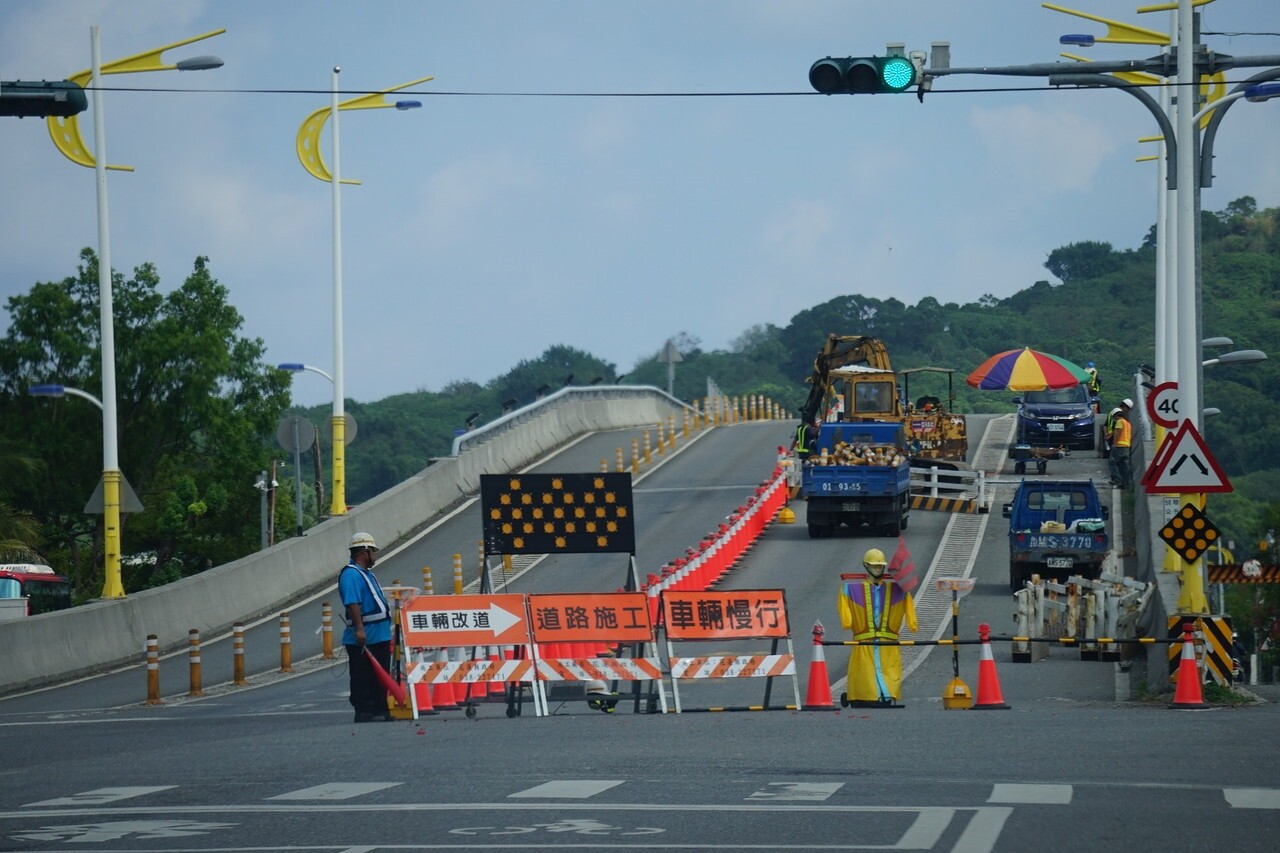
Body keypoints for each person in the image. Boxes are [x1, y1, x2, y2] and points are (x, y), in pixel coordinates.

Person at [836, 548, 917, 706]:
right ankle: (864, 697)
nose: (877, 569)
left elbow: (910, 610)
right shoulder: (850, 589)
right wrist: (847, 622)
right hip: (864, 644)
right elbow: (845, 614)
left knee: (889, 671)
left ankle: (886, 696)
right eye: (873, 566)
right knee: (864, 674)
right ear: (866, 566)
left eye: (880, 566)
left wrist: (912, 623)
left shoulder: (899, 591)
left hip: (889, 645)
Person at [340, 531, 394, 723]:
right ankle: (363, 710)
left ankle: (380, 708)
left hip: (379, 635)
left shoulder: (365, 574)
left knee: (380, 676)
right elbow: (353, 603)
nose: (375, 555)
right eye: (373, 551)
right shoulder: (351, 575)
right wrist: (360, 629)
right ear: (364, 551)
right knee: (362, 676)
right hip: (365, 636)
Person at [1109, 399, 1133, 488]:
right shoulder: (1127, 423)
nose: (1114, 419)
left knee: (1113, 463)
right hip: (1127, 446)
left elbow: (1117, 433)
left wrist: (1114, 444)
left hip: (1119, 446)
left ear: (1116, 415)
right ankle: (1126, 483)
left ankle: (1117, 480)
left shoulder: (1119, 422)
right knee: (1125, 466)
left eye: (1114, 417)